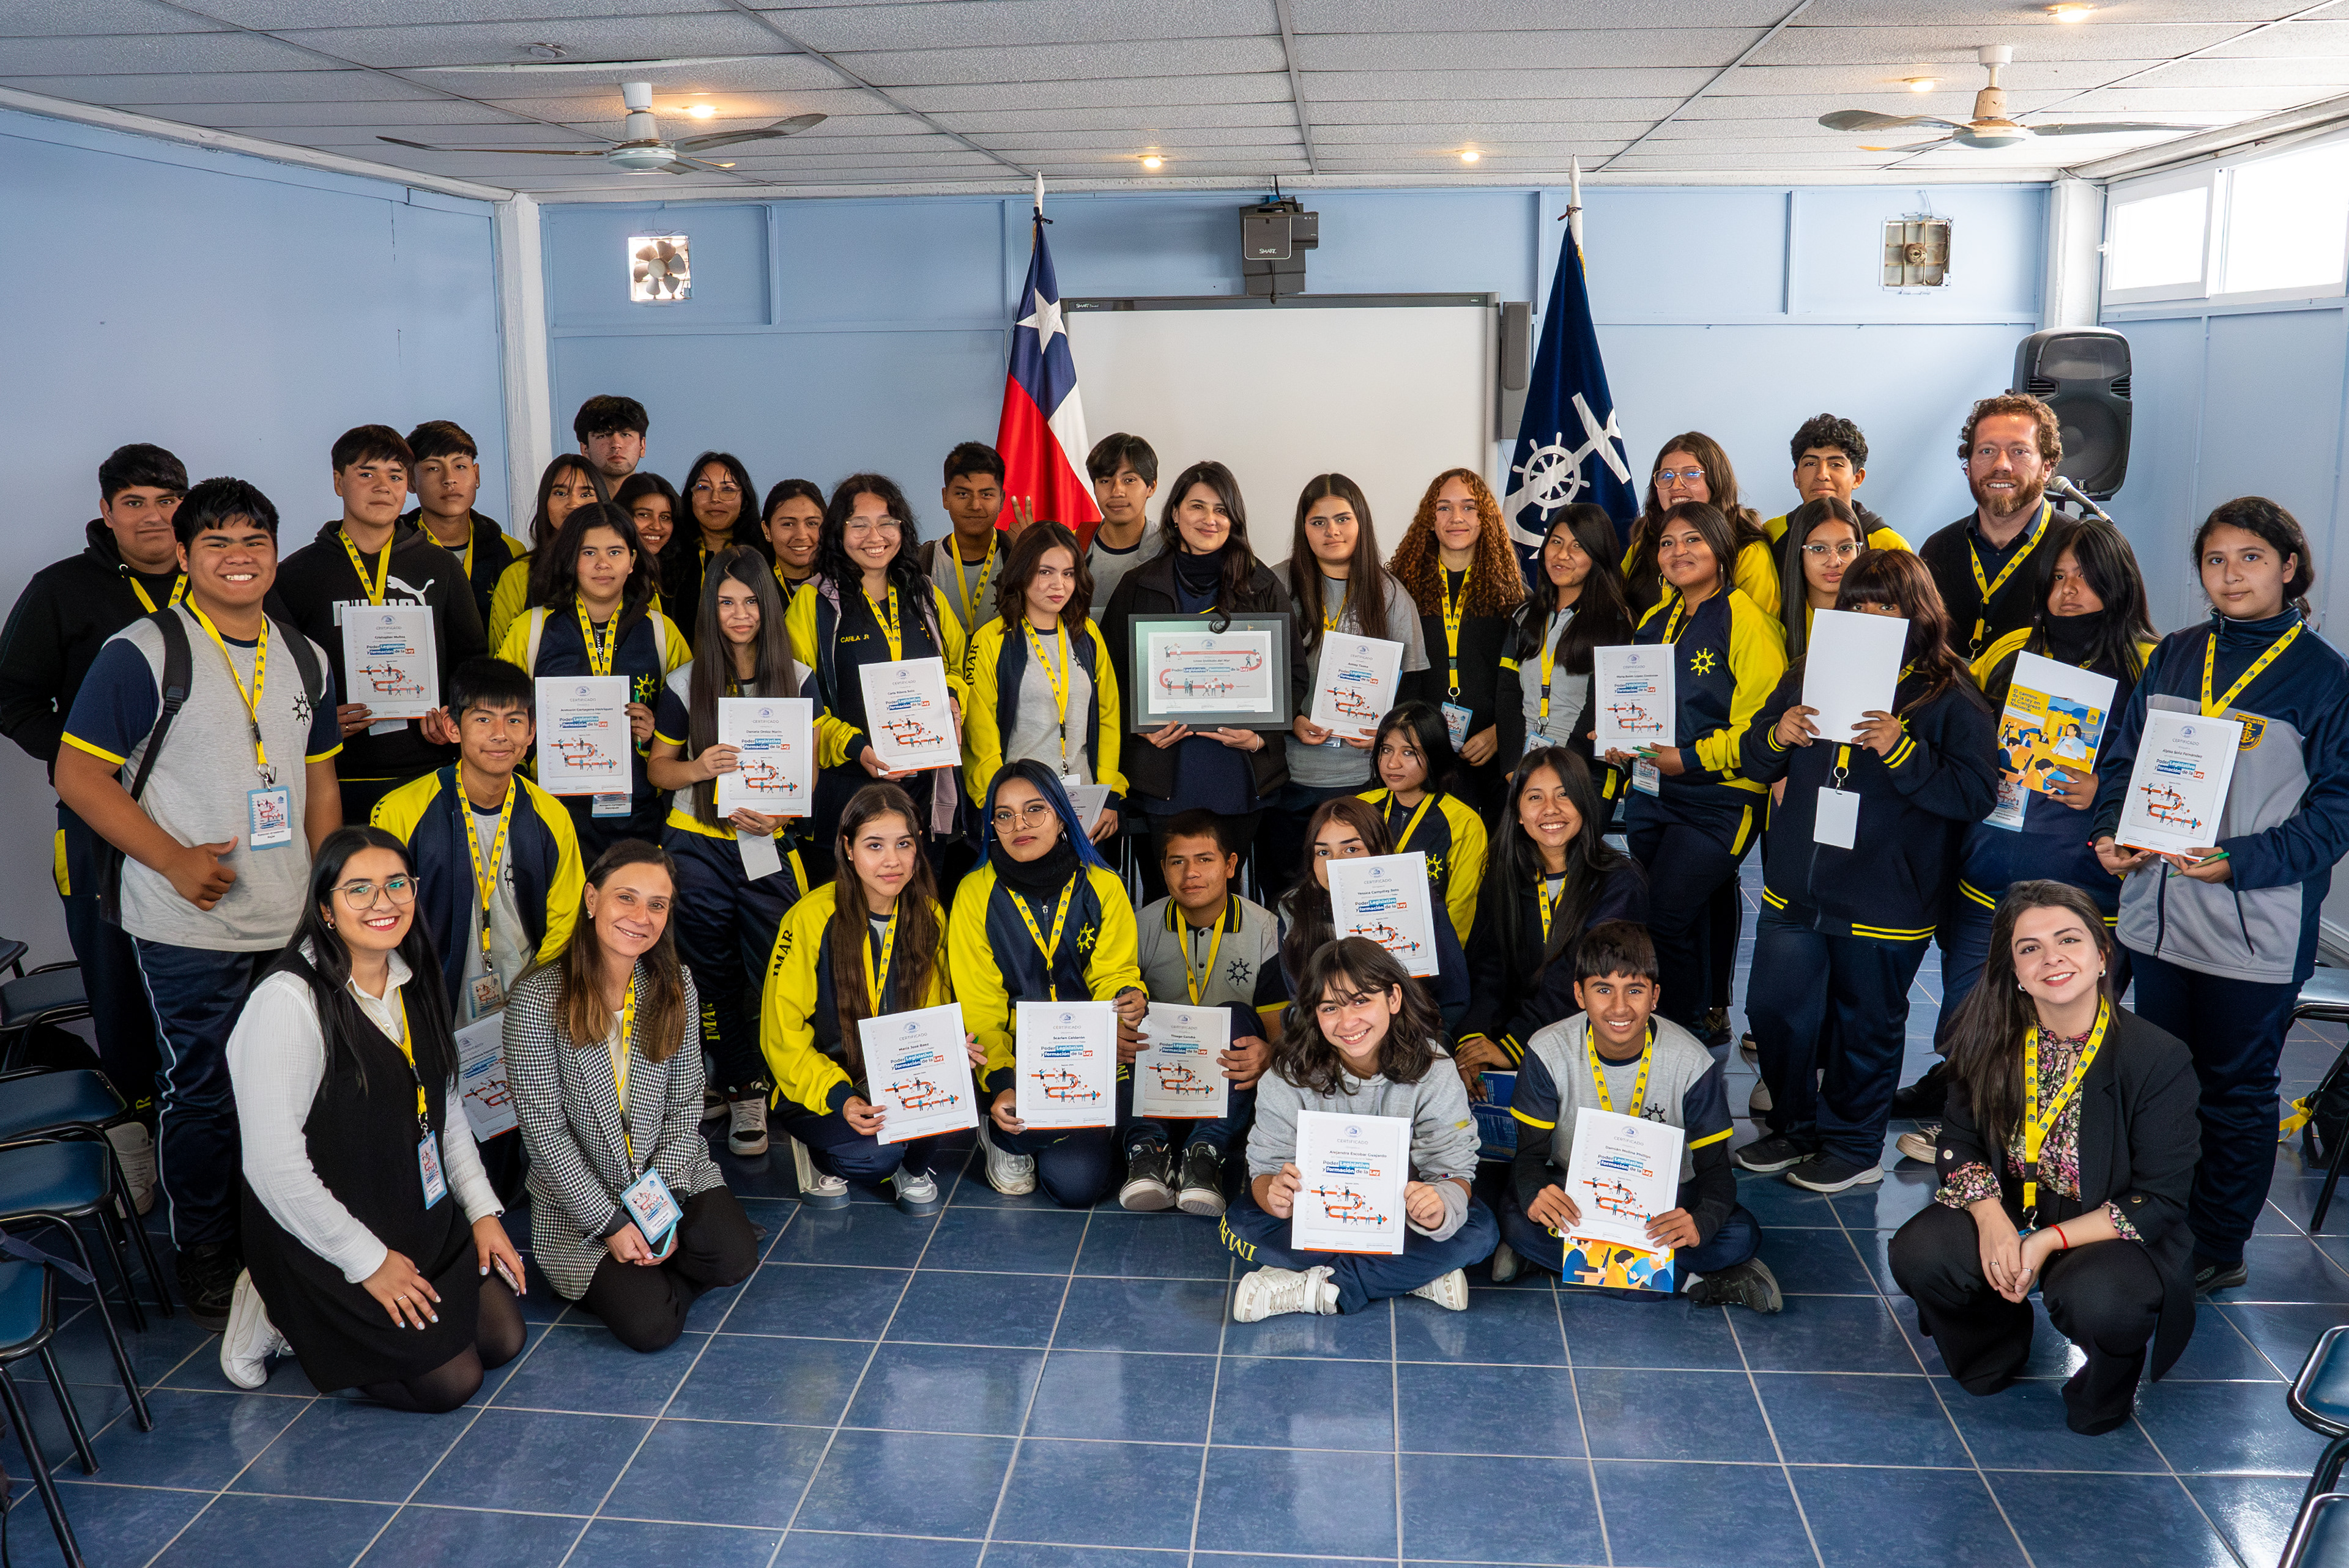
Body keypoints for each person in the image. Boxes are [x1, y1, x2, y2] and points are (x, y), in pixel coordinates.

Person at [56, 477, 344, 1325]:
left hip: (288, 915)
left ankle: (278, 1232)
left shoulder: (305, 656)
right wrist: (174, 860)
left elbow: (320, 781)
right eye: (217, 542)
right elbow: (78, 775)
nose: (239, 557)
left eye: (255, 541)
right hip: (189, 920)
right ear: (183, 555)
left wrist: (326, 888)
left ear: (276, 553)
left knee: (292, 1081)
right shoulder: (143, 651)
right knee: (206, 1087)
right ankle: (207, 1248)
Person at [2090, 496, 2349, 1293]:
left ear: (2290, 567)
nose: (2231, 575)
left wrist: (2240, 860)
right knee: (2162, 1085)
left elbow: (2337, 812)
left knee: (2235, 1093)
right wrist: (2113, 829)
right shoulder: (2176, 654)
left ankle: (2218, 1244)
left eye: (2251, 558)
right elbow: (2123, 760)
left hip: (2253, 928)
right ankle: (2159, 1219)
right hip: (2158, 917)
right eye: (2215, 560)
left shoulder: (2323, 678)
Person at [219, 827, 527, 1405]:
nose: (382, 902)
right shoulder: (287, 1002)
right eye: (358, 889)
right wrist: (369, 1262)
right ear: (325, 908)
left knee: (502, 1339)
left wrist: (483, 1212)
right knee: (452, 1385)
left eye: (396, 884)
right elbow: (273, 1169)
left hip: (412, 1210)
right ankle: (271, 1303)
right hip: (323, 1231)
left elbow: (446, 1111)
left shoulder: (413, 976)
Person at [1890, 881, 2200, 1435]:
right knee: (1922, 1252)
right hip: (2013, 1201)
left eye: (2068, 940)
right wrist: (1990, 1217)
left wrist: (2044, 1241)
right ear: (2014, 970)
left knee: (2104, 1301)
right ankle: (1991, 1348)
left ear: (2102, 956)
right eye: (2030, 948)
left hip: (2106, 1224)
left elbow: (2161, 1199)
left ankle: (2104, 1390)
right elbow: (1959, 1140)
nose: (2051, 958)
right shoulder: (1988, 1039)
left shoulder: (2157, 1057)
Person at [1735, 549, 2000, 1194]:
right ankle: (1797, 1128)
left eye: (1888, 603)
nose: (1872, 614)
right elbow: (1753, 757)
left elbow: (1975, 793)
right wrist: (1777, 734)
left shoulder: (1948, 691)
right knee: (1776, 1010)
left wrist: (1902, 750)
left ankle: (1855, 1148)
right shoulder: (1811, 670)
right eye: (1859, 602)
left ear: (1919, 610)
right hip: (1796, 885)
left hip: (1886, 898)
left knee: (1866, 1024)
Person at [1899, 519, 2159, 1126]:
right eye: (2058, 577)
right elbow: (1957, 724)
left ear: (2119, 582)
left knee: (2063, 1033)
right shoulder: (2014, 649)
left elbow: (2179, 774)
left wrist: (2107, 792)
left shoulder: (2150, 661)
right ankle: (1964, 1129)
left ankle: (2033, 1150)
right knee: (1966, 1020)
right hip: (1987, 877)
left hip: (2087, 890)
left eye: (2086, 578)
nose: (2069, 591)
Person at [0, 442, 188, 1203]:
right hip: (96, 819)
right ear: (107, 512)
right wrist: (78, 758)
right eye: (134, 502)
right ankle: (136, 1134)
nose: (152, 516)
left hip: (200, 816)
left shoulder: (218, 577)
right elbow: (11, 695)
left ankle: (206, 1135)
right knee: (116, 979)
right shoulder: (62, 589)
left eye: (167, 500)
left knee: (203, 973)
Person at [505, 839, 760, 1353]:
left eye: (657, 905)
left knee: (735, 1258)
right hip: (581, 1197)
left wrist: (660, 1209)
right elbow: (546, 1136)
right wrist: (612, 1224)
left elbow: (686, 1104)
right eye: (627, 898)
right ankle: (642, 1281)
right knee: (652, 1329)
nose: (641, 917)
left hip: (664, 1172)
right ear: (592, 899)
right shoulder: (537, 999)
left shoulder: (675, 983)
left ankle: (651, 1273)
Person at [1494, 920, 1780, 1310]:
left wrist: (1701, 1222)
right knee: (1515, 1218)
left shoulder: (1692, 1062)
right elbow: (1528, 1156)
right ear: (1579, 994)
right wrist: (1535, 1195)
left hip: (1666, 1203)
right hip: (1579, 1198)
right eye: (1603, 990)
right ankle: (1698, 1284)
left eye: (1635, 990)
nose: (1620, 1008)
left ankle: (1557, 1260)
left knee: (1740, 1234)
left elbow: (1716, 1170)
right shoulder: (1547, 1051)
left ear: (1654, 996)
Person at [1223, 937, 1497, 1321]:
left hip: (1402, 1220)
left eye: (1361, 1001)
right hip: (1318, 1217)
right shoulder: (1288, 1073)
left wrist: (1437, 1207)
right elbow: (1266, 1166)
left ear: (1394, 998)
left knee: (1481, 1231)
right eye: (1330, 1008)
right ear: (1314, 1013)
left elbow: (1453, 1169)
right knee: (1238, 1224)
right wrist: (1275, 1196)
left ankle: (1318, 1288)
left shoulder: (1434, 1068)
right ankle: (1412, 1276)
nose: (1348, 1022)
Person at [648, 547, 811, 1156]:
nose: (740, 614)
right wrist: (698, 767)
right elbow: (659, 769)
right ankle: (742, 1086)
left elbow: (808, 775)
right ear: (709, 609)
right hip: (696, 847)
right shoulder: (684, 682)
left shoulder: (798, 677)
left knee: (780, 970)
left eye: (750, 601)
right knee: (708, 974)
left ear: (768, 606)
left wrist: (782, 814)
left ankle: (786, 1081)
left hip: (766, 846)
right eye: (726, 602)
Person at [1603, 500, 1786, 1034]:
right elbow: (1638, 708)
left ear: (1721, 549)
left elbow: (1759, 731)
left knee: (1664, 918)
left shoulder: (1749, 623)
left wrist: (1687, 759)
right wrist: (1617, 739)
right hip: (1652, 795)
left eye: (1692, 540)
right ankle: (1687, 1025)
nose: (1678, 551)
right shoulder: (1655, 621)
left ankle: (1676, 1035)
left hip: (1720, 803)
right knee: (1671, 921)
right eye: (1667, 543)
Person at [1101, 460, 1301, 899]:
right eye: (1197, 507)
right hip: (1161, 778)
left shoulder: (1262, 585)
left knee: (1229, 904)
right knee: (1167, 903)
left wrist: (1261, 735)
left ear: (1234, 519)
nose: (1210, 519)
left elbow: (1293, 676)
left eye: (1221, 510)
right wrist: (1138, 726)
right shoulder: (1138, 585)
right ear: (1175, 513)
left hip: (1241, 778)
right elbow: (1107, 678)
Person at [952, 763, 1147, 1207]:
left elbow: (1114, 974)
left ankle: (1054, 1134)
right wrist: (1002, 1081)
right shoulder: (974, 893)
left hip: (1085, 1056)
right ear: (992, 827)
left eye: (1034, 809)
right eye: (1004, 815)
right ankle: (1000, 1132)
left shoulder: (1103, 886)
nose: (1019, 825)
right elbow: (980, 1008)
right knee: (1024, 1127)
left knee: (1078, 1185)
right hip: (1016, 1058)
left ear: (1061, 816)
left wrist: (1126, 1002)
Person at [761, 783, 960, 1215]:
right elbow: (783, 1033)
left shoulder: (929, 915)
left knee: (956, 1096)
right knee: (874, 1157)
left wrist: (950, 1051)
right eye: (874, 845)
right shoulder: (811, 917)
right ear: (848, 849)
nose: (892, 861)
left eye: (904, 844)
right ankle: (816, 1153)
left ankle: (911, 1165)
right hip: (824, 1087)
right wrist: (840, 1097)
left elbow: (933, 1011)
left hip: (895, 1079)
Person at [275, 424, 485, 824]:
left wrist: (454, 714)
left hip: (428, 770)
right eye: (367, 474)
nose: (383, 487)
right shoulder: (296, 575)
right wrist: (316, 721)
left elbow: (472, 660)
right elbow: (277, 674)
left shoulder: (440, 567)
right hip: (333, 776)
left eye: (395, 476)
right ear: (338, 481)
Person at [371, 657, 583, 1025]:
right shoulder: (400, 811)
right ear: (453, 728)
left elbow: (566, 920)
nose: (500, 734)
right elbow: (379, 913)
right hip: (423, 1002)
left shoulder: (552, 816)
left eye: (514, 720)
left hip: (525, 1003)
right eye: (483, 719)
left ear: (531, 733)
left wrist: (535, 996)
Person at [783, 473, 968, 881]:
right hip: (847, 790)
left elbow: (956, 667)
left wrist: (953, 699)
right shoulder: (814, 603)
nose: (875, 536)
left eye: (887, 522)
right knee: (848, 910)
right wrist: (856, 748)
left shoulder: (924, 595)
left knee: (919, 906)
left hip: (921, 792)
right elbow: (797, 703)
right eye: (859, 524)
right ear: (838, 531)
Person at [495, 501, 689, 858]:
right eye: (589, 552)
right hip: (552, 811)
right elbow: (500, 715)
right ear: (571, 560)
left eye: (615, 552)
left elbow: (692, 723)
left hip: (640, 812)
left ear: (632, 560)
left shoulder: (663, 634)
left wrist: (657, 732)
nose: (603, 564)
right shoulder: (530, 630)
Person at [1456, 748, 1649, 1095]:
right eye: (1535, 797)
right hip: (1519, 1028)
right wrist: (1476, 1038)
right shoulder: (1505, 875)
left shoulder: (1620, 882)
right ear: (1518, 813)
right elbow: (1488, 965)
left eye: (1564, 795)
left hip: (1593, 1035)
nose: (1551, 809)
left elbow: (1586, 977)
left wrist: (1513, 1045)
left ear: (1585, 804)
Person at [1271, 473, 1428, 895]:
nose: (1332, 531)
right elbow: (1252, 672)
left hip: (1364, 778)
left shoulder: (1389, 593)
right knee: (1290, 895)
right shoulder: (1274, 585)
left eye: (1343, 519)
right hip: (1289, 776)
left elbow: (1414, 689)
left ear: (1361, 522)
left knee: (1358, 896)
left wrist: (1386, 735)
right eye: (1318, 522)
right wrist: (1291, 719)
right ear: (1303, 528)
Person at [1123, 810, 1279, 1216]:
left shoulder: (1265, 929)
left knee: (1238, 1016)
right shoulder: (1138, 927)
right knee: (1131, 1017)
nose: (1190, 873)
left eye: (1205, 860)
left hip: (1226, 1083)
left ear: (1230, 865)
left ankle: (1205, 1153)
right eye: (1177, 861)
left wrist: (1269, 1053)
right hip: (1159, 1074)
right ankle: (1147, 1151)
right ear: (1163, 868)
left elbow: (1275, 1031)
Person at [963, 522, 1125, 845]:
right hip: (1020, 810)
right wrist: (995, 804)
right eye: (1045, 572)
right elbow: (980, 735)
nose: (1058, 585)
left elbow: (1108, 717)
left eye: (1068, 574)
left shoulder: (1087, 634)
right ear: (1022, 574)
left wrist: (1110, 794)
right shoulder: (991, 640)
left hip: (1084, 805)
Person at [1259, 795, 1470, 1024]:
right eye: (1323, 852)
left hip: (1411, 1032)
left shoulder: (1417, 897)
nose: (1335, 862)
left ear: (1379, 850)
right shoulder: (1293, 909)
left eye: (1351, 849)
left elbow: (1453, 996)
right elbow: (1298, 1002)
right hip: (1329, 1035)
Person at [1390, 468, 1526, 815]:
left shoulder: (1514, 597)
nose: (1456, 518)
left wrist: (1500, 733)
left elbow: (1528, 680)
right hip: (1423, 752)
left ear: (1485, 519)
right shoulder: (1399, 592)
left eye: (1469, 507)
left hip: (1494, 753)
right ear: (1430, 519)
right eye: (1444, 508)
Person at [1920, 393, 2063, 661]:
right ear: (1968, 467)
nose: (2001, 465)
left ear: (2046, 467)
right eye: (1987, 451)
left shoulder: (2079, 549)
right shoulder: (1938, 549)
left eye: (2019, 451)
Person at [1511, 501, 1635, 772]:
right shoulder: (1525, 615)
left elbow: (1598, 708)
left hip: (1583, 767)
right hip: (1526, 764)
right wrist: (1513, 769)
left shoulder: (1616, 622)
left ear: (1597, 555)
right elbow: (1508, 693)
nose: (1562, 555)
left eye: (1577, 546)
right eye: (1556, 542)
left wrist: (1562, 772)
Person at [1357, 701, 1486, 942]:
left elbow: (1461, 909)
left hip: (1430, 949)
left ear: (1434, 755)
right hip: (1363, 944)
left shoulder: (1464, 823)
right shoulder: (1359, 808)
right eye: (1386, 750)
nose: (1392, 763)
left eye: (1408, 752)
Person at [1621, 434, 1778, 617]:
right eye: (1667, 476)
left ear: (1716, 481)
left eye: (1691, 474)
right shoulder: (1641, 548)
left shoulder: (1748, 550)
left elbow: (1759, 626)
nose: (1676, 486)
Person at [404, 420, 524, 627]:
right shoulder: (396, 548)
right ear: (411, 480)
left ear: (476, 475)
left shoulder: (510, 552)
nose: (449, 479)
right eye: (433, 468)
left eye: (460, 466)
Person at [486, 454, 605, 653]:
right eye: (560, 493)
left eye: (586, 494)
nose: (573, 504)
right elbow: (502, 664)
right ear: (545, 503)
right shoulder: (518, 577)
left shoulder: (630, 571)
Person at [1759, 413, 1908, 563]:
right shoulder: (1769, 538)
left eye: (1836, 464)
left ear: (1857, 478)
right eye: (1811, 464)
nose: (1822, 475)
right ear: (1796, 477)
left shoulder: (1890, 547)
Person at [665, 452, 768, 643]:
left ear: (744, 501)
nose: (715, 498)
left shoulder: (763, 558)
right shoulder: (669, 558)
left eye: (727, 489)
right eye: (704, 488)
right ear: (690, 497)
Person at [921, 441, 1009, 645]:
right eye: (963, 494)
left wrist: (1031, 555)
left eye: (986, 495)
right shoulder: (922, 562)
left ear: (1002, 500)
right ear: (945, 498)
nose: (975, 505)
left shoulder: (1018, 557)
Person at [1772, 497, 1868, 660]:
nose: (1834, 561)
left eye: (1846, 548)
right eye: (1819, 549)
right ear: (1799, 554)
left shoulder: (1878, 618)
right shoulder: (1773, 626)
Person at [1085, 432, 1162, 617]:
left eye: (1129, 480)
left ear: (1151, 487)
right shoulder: (1074, 544)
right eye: (1105, 481)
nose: (1117, 491)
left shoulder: (1169, 549)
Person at [615, 472, 681, 612]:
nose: (656, 526)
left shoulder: (679, 573)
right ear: (622, 515)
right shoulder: (611, 573)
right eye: (644, 515)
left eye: (665, 517)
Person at [762, 478, 824, 598]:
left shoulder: (841, 587)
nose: (801, 536)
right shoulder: (749, 585)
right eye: (788, 524)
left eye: (812, 523)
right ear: (767, 530)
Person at [575, 394, 647, 490]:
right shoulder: (572, 500)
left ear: (642, 446)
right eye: (603, 436)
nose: (616, 445)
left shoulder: (661, 498)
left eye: (625, 435)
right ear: (585, 450)